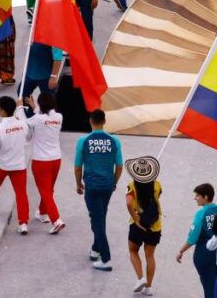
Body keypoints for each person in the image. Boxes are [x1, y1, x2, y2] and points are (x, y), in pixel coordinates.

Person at [75, 108, 124, 271]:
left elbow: (77, 167)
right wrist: (114, 182)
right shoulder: (114, 141)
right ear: (104, 122)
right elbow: (119, 166)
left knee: (96, 221)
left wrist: (78, 184)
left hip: (92, 186)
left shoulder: (83, 141)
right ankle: (96, 249)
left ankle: (106, 258)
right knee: (100, 217)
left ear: (90, 121)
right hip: (107, 186)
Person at [0, 96, 32, 234]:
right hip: (19, 166)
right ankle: (23, 223)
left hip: (2, 165)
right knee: (21, 194)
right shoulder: (23, 125)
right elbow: (28, 135)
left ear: (2, 111)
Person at [24, 93, 66, 234]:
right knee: (49, 190)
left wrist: (19, 109)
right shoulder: (59, 117)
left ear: (41, 104)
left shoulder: (36, 119)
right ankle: (42, 213)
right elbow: (43, 118)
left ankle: (56, 220)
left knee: (45, 191)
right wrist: (34, 107)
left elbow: (25, 124)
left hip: (41, 161)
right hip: (56, 160)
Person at [177, 183, 217, 298]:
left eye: (198, 195)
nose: (195, 198)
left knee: (209, 288)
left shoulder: (201, 214)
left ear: (206, 197)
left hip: (204, 255)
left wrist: (181, 251)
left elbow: (193, 238)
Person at [125, 156, 163, 296]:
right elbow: (157, 196)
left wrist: (136, 219)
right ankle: (149, 287)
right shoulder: (157, 185)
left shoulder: (132, 185)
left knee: (133, 250)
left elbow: (129, 203)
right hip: (155, 225)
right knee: (150, 256)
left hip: (137, 225)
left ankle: (140, 278)